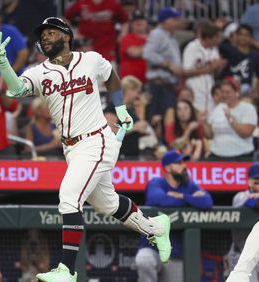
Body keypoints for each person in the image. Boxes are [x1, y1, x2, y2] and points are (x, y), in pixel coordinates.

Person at [0, 17, 171, 281]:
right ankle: (157, 228)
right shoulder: (40, 71)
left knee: (69, 197)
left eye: (50, 32)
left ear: (66, 36)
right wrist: (3, 62)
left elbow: (112, 78)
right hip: (71, 148)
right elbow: (15, 91)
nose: (45, 37)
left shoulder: (91, 59)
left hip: (97, 141)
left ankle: (67, 270)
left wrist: (120, 109)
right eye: (42, 35)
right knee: (108, 204)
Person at [134, 150, 213, 282]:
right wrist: (191, 201)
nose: (184, 166)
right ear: (167, 168)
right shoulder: (156, 183)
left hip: (176, 255)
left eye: (184, 162)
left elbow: (207, 202)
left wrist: (182, 196)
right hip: (153, 250)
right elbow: (160, 200)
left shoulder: (188, 186)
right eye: (179, 163)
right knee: (144, 259)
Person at [142, 7, 183, 132]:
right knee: (156, 121)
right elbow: (147, 53)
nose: (178, 21)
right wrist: (168, 65)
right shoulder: (158, 34)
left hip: (168, 85)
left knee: (167, 121)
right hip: (159, 86)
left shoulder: (170, 37)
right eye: (175, 19)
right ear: (165, 21)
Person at [204, 78, 257, 160]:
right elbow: (210, 135)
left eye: (228, 92)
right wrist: (204, 122)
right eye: (222, 92)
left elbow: (246, 133)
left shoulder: (247, 108)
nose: (224, 95)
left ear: (236, 93)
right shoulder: (217, 109)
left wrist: (230, 119)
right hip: (217, 155)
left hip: (241, 156)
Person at [64, 0, 128, 62]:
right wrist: (72, 34)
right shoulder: (82, 3)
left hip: (107, 48)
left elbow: (125, 20)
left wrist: (123, 35)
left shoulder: (112, 3)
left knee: (108, 70)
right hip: (86, 49)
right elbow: (66, 18)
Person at [182, 21, 226, 113]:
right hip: (194, 87)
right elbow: (186, 72)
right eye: (216, 37)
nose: (219, 39)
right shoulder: (192, 47)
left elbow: (216, 72)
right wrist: (210, 67)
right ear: (208, 39)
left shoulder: (214, 49)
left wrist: (219, 67)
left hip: (210, 87)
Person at [226, 162, 259, 282]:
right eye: (258, 181)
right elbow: (254, 204)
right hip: (242, 256)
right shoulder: (240, 196)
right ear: (250, 182)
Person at [104, 75, 150, 159]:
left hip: (133, 155)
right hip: (118, 156)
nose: (138, 96)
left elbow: (140, 126)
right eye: (137, 92)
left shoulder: (130, 110)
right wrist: (133, 128)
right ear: (129, 90)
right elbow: (110, 131)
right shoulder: (113, 107)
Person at [219, 24, 259, 96]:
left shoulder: (255, 55)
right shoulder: (228, 51)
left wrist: (255, 93)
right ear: (236, 36)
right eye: (240, 35)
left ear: (251, 38)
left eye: (246, 35)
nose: (243, 38)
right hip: (227, 89)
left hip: (247, 90)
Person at [119, 9, 149, 83]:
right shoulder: (127, 38)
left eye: (141, 19)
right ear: (131, 24)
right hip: (130, 84)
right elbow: (134, 53)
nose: (138, 22)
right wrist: (151, 46)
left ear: (146, 22)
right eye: (135, 20)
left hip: (150, 83)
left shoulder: (153, 37)